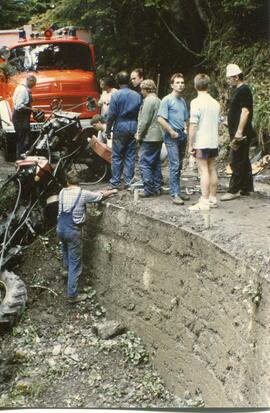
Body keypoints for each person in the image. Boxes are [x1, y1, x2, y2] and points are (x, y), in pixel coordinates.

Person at [57, 170, 117, 303]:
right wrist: (111, 192)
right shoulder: (82, 193)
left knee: (65, 250)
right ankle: (72, 295)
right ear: (80, 182)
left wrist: (101, 190)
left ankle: (65, 272)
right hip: (73, 231)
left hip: (60, 228)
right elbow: (98, 197)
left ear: (67, 181)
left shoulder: (62, 192)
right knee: (75, 264)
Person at [221, 63, 254, 201]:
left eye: (229, 78)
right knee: (243, 159)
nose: (228, 81)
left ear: (236, 77)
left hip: (240, 133)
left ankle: (234, 190)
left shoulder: (243, 90)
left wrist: (239, 131)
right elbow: (238, 111)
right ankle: (246, 188)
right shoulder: (239, 90)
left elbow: (245, 112)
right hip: (237, 130)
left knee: (236, 160)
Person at [188, 74, 220, 211]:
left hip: (201, 141)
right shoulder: (215, 103)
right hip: (213, 140)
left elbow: (193, 125)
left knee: (203, 170)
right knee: (212, 168)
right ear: (208, 85)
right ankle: (213, 198)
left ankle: (204, 201)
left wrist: (190, 144)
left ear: (195, 86)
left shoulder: (195, 102)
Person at [157, 73, 190, 205]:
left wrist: (186, 130)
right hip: (171, 136)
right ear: (172, 85)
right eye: (177, 82)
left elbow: (185, 118)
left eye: (182, 82)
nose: (180, 85)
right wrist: (171, 131)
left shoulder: (182, 101)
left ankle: (177, 190)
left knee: (180, 164)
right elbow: (160, 118)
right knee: (175, 164)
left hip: (181, 134)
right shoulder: (167, 100)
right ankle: (175, 194)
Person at [106, 70, 141, 190]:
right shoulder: (137, 95)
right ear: (129, 81)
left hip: (120, 124)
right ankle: (129, 182)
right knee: (130, 155)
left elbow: (111, 115)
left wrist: (107, 130)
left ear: (118, 82)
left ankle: (115, 182)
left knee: (117, 155)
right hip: (133, 124)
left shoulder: (115, 95)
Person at [136, 79, 164, 197]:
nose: (141, 92)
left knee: (144, 163)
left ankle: (148, 189)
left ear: (145, 89)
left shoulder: (148, 101)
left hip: (149, 137)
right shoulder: (159, 100)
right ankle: (157, 187)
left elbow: (144, 120)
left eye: (142, 90)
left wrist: (138, 134)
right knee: (156, 162)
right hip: (159, 136)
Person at [12, 74, 37, 159]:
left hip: (23, 117)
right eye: (34, 83)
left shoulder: (24, 88)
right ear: (29, 81)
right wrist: (31, 109)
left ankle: (22, 156)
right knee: (21, 138)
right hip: (20, 117)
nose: (34, 85)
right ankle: (19, 158)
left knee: (24, 137)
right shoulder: (23, 90)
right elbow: (19, 106)